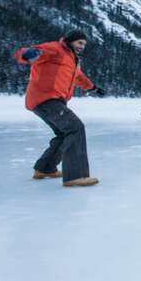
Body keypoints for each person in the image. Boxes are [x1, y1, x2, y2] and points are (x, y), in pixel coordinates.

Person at [14, 29, 104, 187]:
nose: (82, 46)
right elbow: (33, 52)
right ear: (70, 40)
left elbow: (79, 78)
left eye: (84, 44)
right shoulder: (56, 49)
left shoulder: (73, 59)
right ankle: (76, 176)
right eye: (79, 42)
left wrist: (93, 88)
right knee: (75, 127)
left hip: (54, 101)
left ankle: (45, 168)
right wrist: (27, 54)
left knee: (64, 133)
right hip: (46, 98)